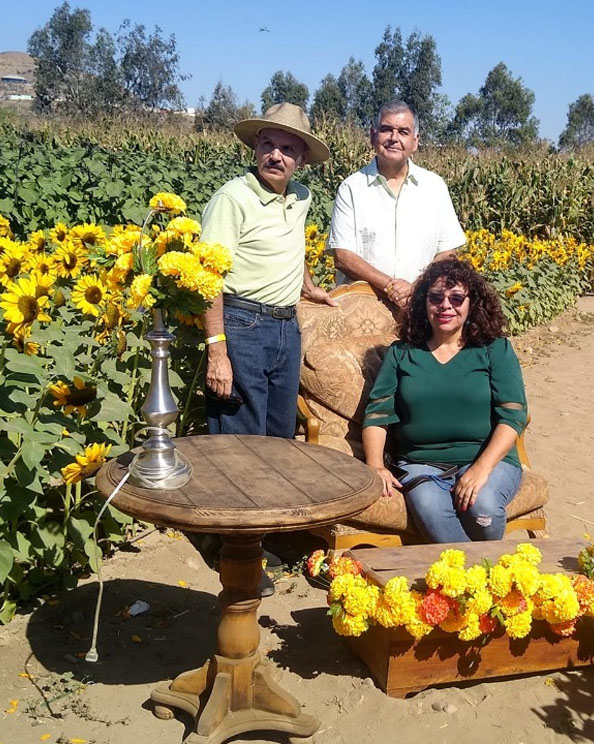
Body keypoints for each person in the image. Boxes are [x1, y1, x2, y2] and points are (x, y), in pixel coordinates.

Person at [361, 259, 527, 542]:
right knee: (428, 508)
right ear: (424, 304)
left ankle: (480, 577)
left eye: (456, 298)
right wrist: (376, 465)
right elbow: (377, 414)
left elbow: (513, 416)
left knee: (482, 508)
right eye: (436, 298)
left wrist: (480, 469)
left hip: (487, 459)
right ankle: (476, 579)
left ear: (472, 303)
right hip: (421, 464)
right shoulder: (402, 353)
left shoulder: (494, 349)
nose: (445, 306)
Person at [200, 102, 337, 438]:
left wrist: (309, 285)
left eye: (288, 148)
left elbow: (291, 242)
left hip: (287, 329)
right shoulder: (232, 199)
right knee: (241, 443)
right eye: (268, 145)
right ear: (256, 148)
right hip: (242, 325)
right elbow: (207, 278)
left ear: (301, 159)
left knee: (281, 440)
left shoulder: (300, 197)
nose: (276, 156)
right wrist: (217, 352)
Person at [328, 100, 466, 310]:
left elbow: (448, 252)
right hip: (362, 312)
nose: (394, 138)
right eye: (386, 130)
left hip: (419, 307)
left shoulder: (434, 187)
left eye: (403, 131)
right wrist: (392, 287)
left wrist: (416, 288)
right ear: (373, 135)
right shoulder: (352, 188)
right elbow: (343, 257)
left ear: (415, 141)